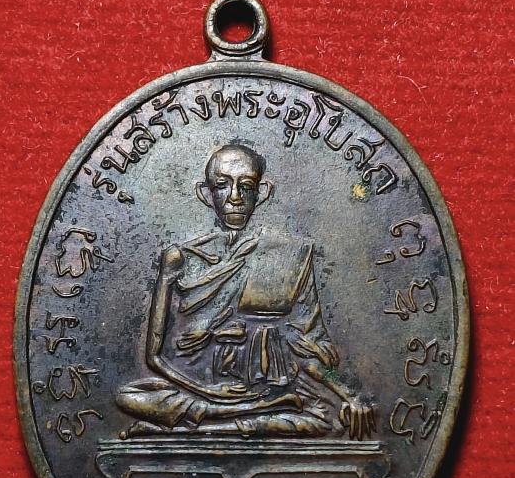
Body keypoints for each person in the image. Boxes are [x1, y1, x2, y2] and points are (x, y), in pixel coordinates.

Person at [116, 144, 375, 439]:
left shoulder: (290, 255)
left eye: (246, 186)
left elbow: (309, 345)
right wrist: (209, 392)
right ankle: (240, 414)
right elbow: (153, 358)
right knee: (128, 397)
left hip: (267, 385)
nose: (235, 197)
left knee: (325, 420)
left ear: (262, 193)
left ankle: (195, 426)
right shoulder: (179, 257)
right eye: (222, 185)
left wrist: (348, 393)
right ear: (205, 194)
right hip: (195, 387)